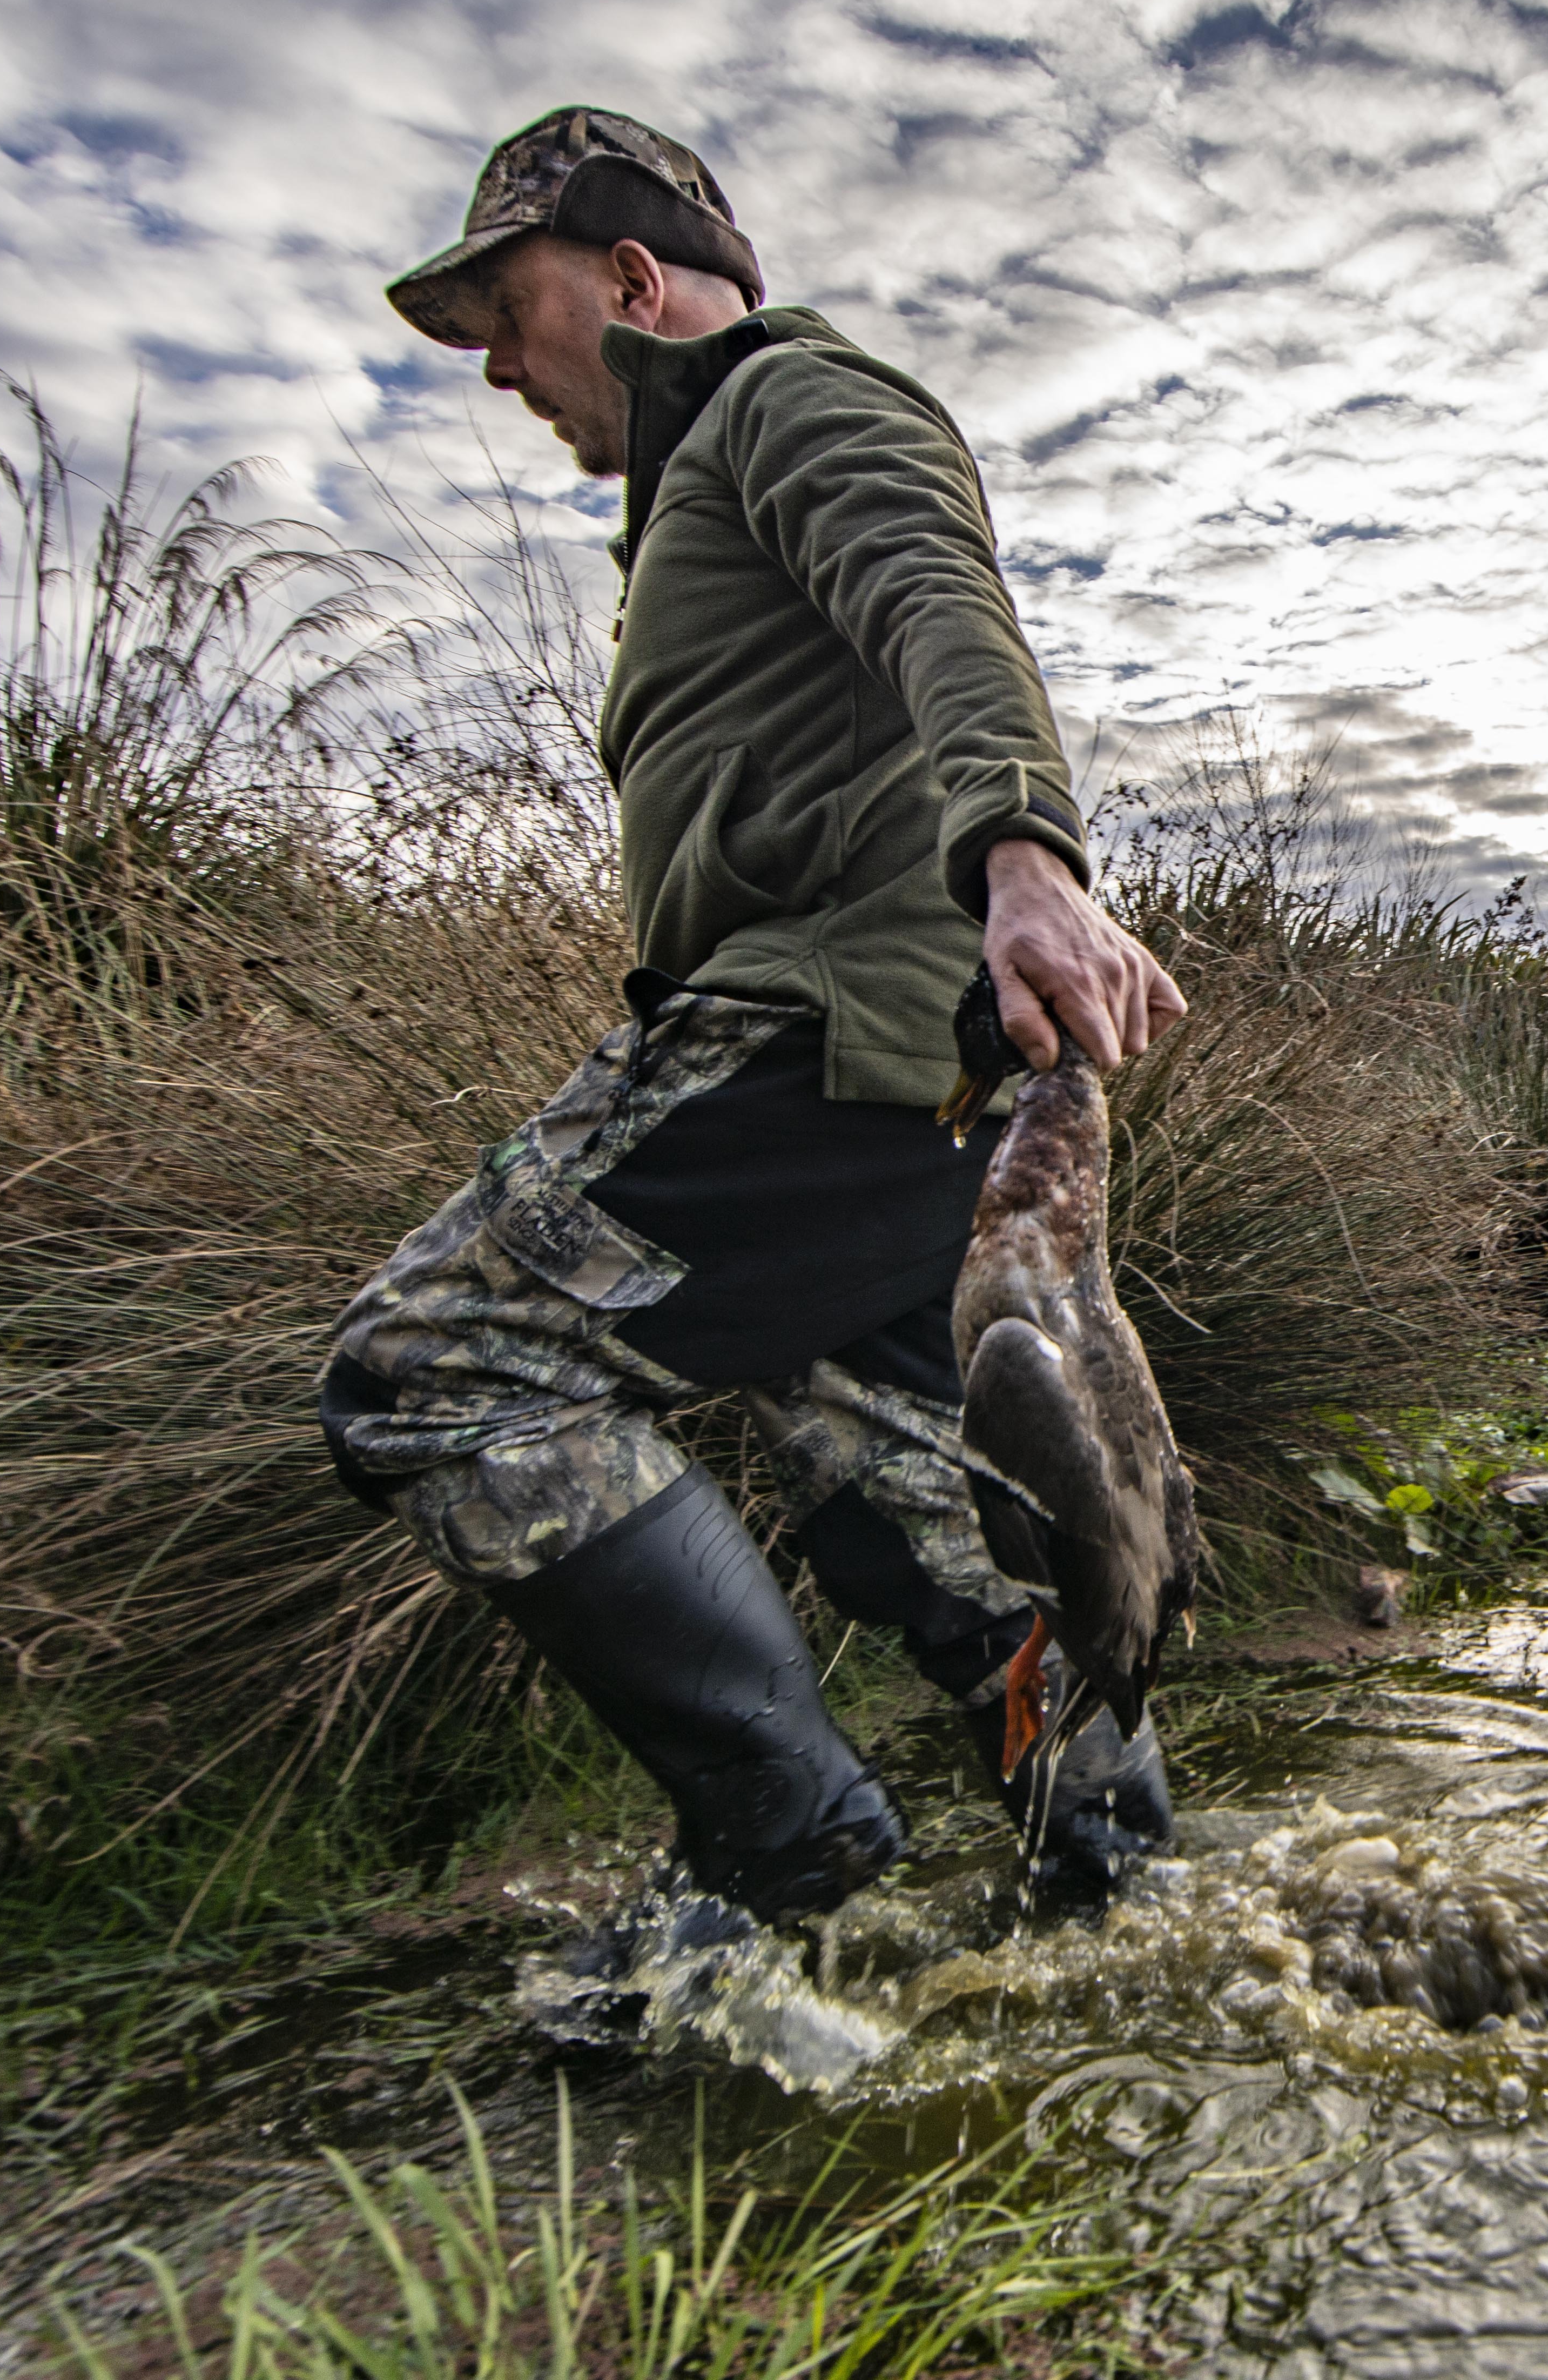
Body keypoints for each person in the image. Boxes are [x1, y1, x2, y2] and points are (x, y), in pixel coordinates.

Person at [319, 107, 1188, 1920]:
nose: (494, 365)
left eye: (508, 305)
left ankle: (778, 1837)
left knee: (432, 1365)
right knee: (928, 1534)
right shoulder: (699, 487)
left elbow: (937, 595)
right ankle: (1121, 1894)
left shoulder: (793, 399)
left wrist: (1026, 856)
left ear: (636, 279)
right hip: (905, 1093)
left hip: (811, 1041)